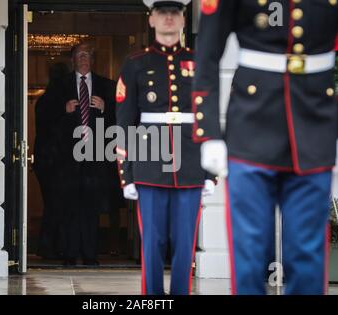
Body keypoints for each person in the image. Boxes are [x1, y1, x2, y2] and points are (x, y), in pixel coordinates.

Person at [192, 0, 338, 295]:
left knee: (307, 255)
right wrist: (209, 132)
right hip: (251, 128)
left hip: (314, 127)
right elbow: (208, 53)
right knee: (250, 253)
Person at [116, 0, 217, 295]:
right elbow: (124, 122)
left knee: (185, 243)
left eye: (175, 13)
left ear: (184, 20)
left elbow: (208, 116)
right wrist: (127, 172)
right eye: (162, 13)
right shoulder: (135, 63)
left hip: (190, 163)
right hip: (149, 162)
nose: (169, 18)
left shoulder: (199, 62)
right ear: (151, 19)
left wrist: (210, 171)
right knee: (152, 242)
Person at [59, 43, 116, 266]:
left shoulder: (107, 86)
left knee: (91, 209)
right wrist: (64, 111)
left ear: (93, 60)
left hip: (95, 157)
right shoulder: (60, 86)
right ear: (73, 60)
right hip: (68, 159)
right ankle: (70, 253)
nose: (83, 58)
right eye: (79, 55)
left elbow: (123, 118)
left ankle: (91, 254)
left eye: (88, 55)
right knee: (70, 207)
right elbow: (44, 116)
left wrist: (105, 108)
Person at [34, 63, 70, 260]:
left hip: (46, 161)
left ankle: (51, 246)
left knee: (53, 205)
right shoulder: (58, 102)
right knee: (57, 206)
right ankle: (52, 247)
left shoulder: (44, 100)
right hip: (55, 161)